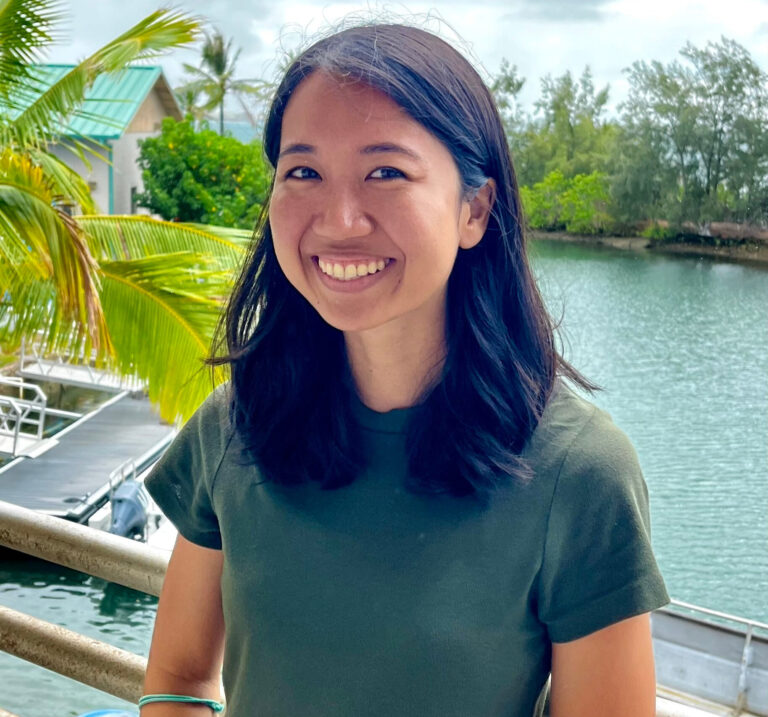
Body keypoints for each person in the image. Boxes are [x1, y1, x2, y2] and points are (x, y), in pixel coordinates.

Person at [141, 22, 669, 717]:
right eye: (303, 172)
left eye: (385, 171)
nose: (340, 218)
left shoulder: (580, 473)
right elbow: (178, 677)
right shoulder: (239, 423)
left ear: (475, 209)